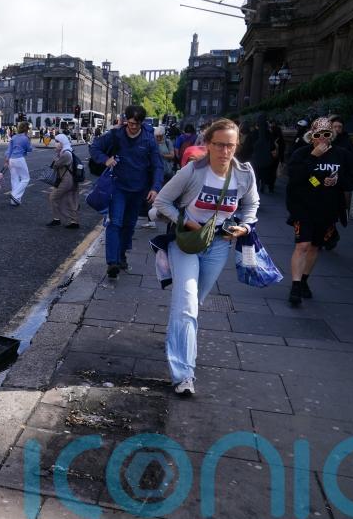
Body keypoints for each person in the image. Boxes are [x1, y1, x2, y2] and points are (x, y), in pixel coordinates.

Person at [153, 119, 260, 395]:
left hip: (219, 245)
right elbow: (162, 201)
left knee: (194, 302)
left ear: (237, 145)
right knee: (187, 305)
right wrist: (186, 222)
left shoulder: (244, 174)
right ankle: (183, 375)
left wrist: (245, 226)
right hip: (187, 243)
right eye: (219, 144)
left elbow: (252, 204)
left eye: (230, 145)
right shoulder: (192, 171)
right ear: (208, 144)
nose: (225, 151)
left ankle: (177, 338)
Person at [285, 117, 353, 306]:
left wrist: (338, 181)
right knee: (302, 245)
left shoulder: (342, 155)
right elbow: (294, 176)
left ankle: (304, 280)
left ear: (332, 135)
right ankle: (295, 286)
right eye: (318, 134)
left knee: (314, 247)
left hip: (328, 209)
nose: (322, 138)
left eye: (326, 134)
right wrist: (313, 157)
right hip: (303, 208)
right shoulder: (302, 153)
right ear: (311, 135)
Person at [89, 105, 164, 278]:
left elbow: (157, 166)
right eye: (130, 123)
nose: (133, 127)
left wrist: (155, 188)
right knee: (115, 223)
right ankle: (112, 263)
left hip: (138, 190)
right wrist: (105, 159)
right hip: (118, 186)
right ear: (125, 121)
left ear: (141, 123)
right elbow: (94, 147)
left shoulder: (148, 140)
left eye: (136, 124)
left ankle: (121, 255)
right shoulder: (116, 135)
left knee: (129, 225)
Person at [47, 133, 79, 229]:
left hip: (66, 180)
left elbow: (55, 165)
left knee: (53, 197)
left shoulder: (65, 154)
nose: (55, 143)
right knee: (69, 200)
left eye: (57, 141)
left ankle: (57, 219)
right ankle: (74, 222)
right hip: (70, 180)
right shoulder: (67, 151)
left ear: (62, 142)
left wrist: (57, 155)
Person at [3, 121, 33, 206]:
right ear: (27, 129)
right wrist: (29, 140)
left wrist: (6, 159)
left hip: (11, 159)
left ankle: (15, 201)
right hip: (19, 159)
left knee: (14, 179)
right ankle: (15, 195)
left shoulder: (14, 137)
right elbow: (29, 149)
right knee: (26, 178)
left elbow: (9, 149)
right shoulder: (25, 138)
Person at [268, 120, 285, 193]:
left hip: (270, 157)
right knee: (274, 171)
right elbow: (282, 150)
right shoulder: (281, 139)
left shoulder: (270, 138)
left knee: (269, 170)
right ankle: (271, 185)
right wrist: (282, 159)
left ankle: (268, 183)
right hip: (277, 158)